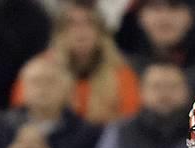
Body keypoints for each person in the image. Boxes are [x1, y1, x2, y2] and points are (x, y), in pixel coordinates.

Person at [11, 1, 140, 126]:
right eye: (72, 25)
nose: (81, 32)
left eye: (89, 24)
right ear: (59, 33)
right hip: (55, 139)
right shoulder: (40, 69)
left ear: (101, 33)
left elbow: (130, 119)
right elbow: (21, 111)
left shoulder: (120, 71)